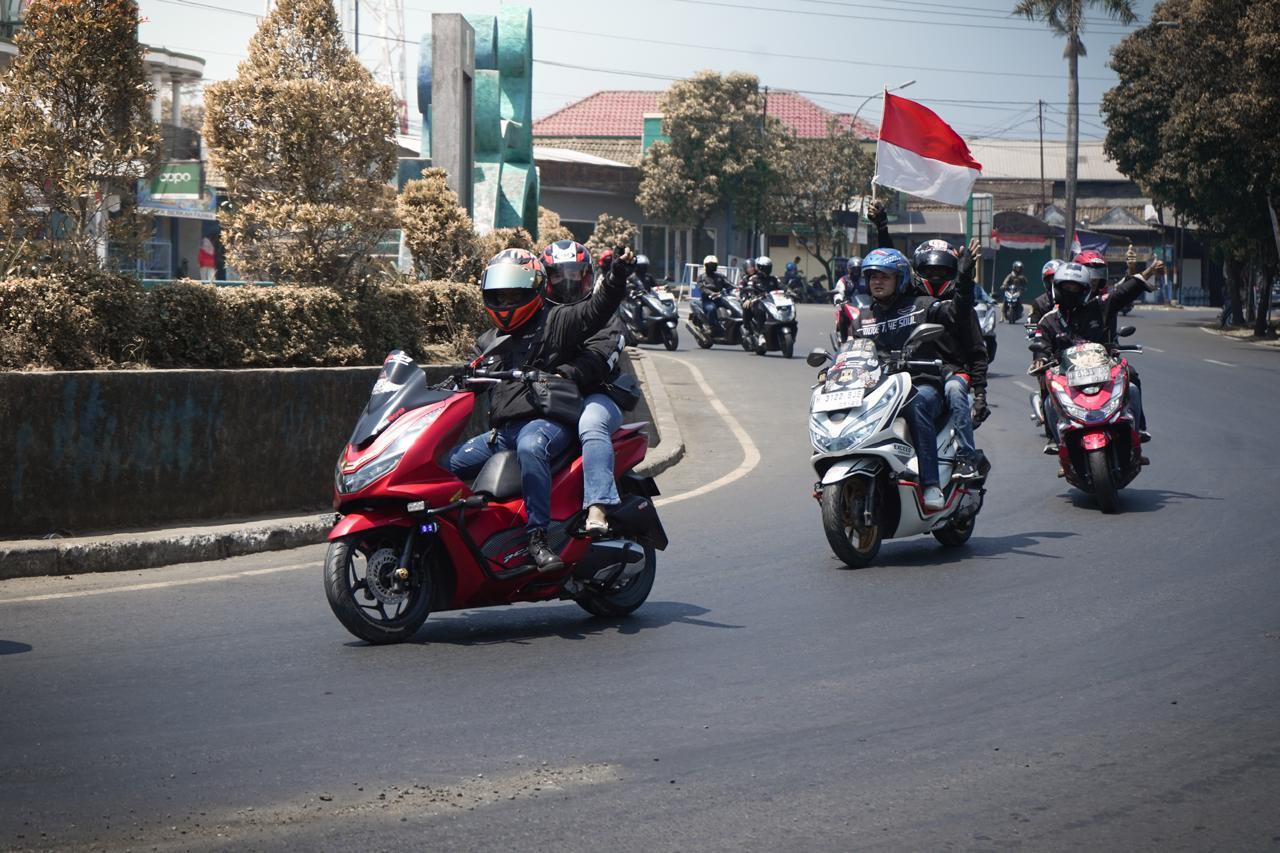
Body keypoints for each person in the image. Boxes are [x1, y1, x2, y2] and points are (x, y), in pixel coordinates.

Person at [447, 246, 633, 572]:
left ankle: (538, 537)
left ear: (533, 288)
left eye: (514, 294)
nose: (506, 302)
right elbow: (468, 375)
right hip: (502, 432)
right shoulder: (489, 341)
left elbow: (598, 309)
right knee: (447, 464)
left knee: (533, 446)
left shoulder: (556, 321)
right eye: (499, 295)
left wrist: (616, 276)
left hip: (548, 419)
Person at [854, 247, 976, 510]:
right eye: (873, 276)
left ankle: (931, 484)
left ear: (900, 279)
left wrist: (965, 280)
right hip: (879, 388)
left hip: (921, 383)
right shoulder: (863, 319)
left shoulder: (921, 306)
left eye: (884, 276)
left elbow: (958, 313)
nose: (877, 281)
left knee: (915, 403)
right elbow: (851, 353)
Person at [540, 241, 632, 537]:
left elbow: (599, 359)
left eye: (573, 273)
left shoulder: (604, 314)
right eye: (557, 274)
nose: (566, 281)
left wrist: (562, 374)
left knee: (591, 424)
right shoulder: (540, 315)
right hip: (550, 395)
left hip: (596, 394)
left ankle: (598, 506)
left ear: (587, 276)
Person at [1032, 258, 1164, 454]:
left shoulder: (1100, 307)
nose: (1070, 292)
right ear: (1056, 288)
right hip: (1067, 377)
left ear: (1085, 290)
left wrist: (1150, 271)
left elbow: (1124, 292)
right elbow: (1040, 343)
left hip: (1105, 370)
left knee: (1132, 384)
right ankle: (1055, 439)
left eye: (1076, 288)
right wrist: (1041, 358)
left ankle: (1137, 429)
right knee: (1049, 397)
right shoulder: (1048, 320)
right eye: (1066, 287)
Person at [912, 238, 989, 481]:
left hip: (952, 372)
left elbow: (977, 352)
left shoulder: (961, 309)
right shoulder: (909, 306)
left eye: (942, 272)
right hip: (915, 374)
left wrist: (980, 394)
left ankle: (967, 457)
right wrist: (881, 226)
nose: (935, 277)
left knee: (955, 390)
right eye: (929, 272)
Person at [742, 255, 779, 337]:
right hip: (759, 301)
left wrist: (790, 291)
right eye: (765, 267)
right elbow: (749, 290)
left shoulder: (773, 279)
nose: (767, 269)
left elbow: (782, 287)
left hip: (773, 301)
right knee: (758, 310)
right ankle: (760, 333)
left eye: (768, 267)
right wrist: (749, 299)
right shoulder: (753, 279)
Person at [697, 254, 732, 337]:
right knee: (711, 309)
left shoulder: (720, 276)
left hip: (720, 299)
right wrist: (711, 293)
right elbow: (702, 288)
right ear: (705, 266)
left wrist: (737, 288)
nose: (711, 267)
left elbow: (729, 284)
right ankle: (711, 327)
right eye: (710, 265)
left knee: (733, 306)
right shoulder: (701, 277)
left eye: (713, 265)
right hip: (708, 300)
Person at [833, 255, 864, 342]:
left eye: (858, 269)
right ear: (849, 269)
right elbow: (838, 291)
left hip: (863, 306)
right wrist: (838, 299)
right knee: (842, 313)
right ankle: (844, 338)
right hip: (848, 305)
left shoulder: (865, 279)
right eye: (854, 269)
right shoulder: (844, 280)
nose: (856, 272)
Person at [1029, 259, 1062, 324]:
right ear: (1047, 280)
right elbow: (1030, 327)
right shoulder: (1039, 303)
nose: (1055, 283)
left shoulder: (1073, 301)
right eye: (1052, 279)